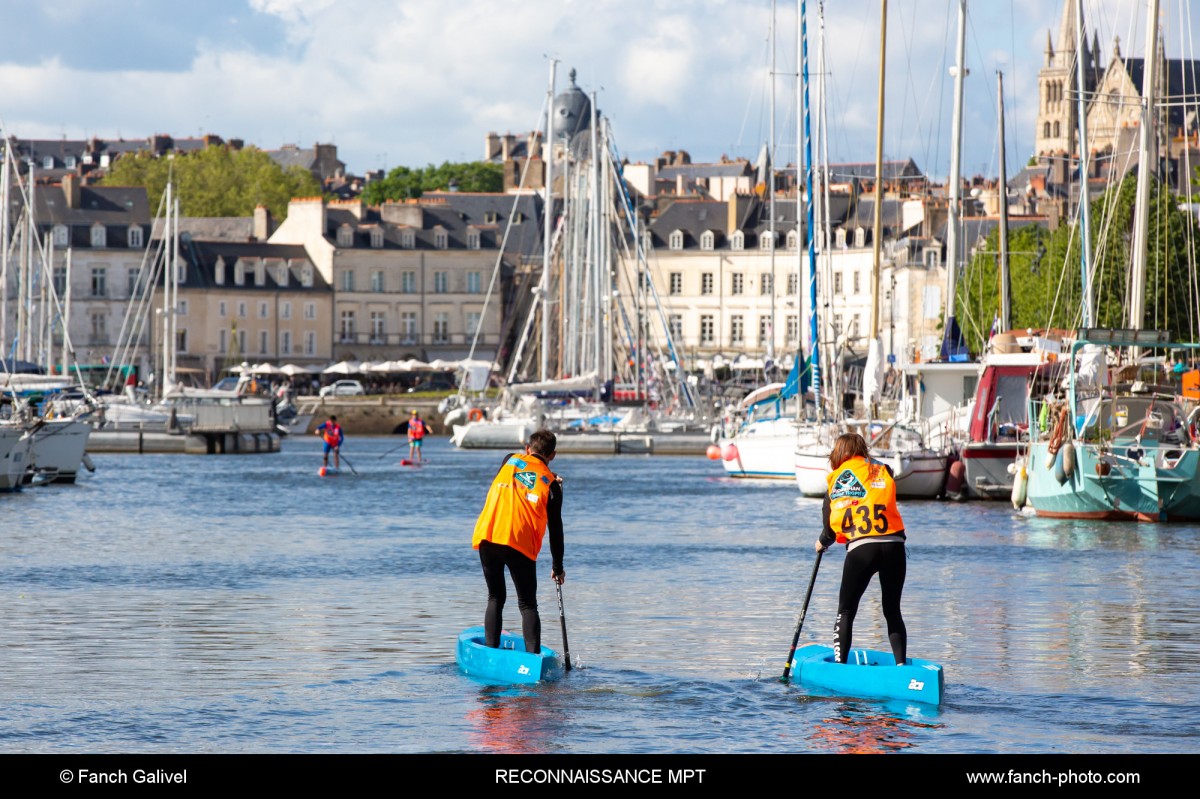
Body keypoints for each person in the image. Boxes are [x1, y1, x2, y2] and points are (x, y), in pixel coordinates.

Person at [814, 432, 908, 666]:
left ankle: (840, 666)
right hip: (894, 547)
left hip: (861, 550)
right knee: (892, 610)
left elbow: (829, 532)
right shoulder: (883, 471)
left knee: (845, 612)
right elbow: (883, 473)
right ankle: (901, 666)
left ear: (838, 455)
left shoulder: (836, 481)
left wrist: (822, 543)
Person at [471, 429, 564, 653]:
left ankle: (490, 653)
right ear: (553, 455)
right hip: (519, 544)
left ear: (527, 449)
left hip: (489, 536)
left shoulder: (509, 460)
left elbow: (522, 478)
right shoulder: (552, 486)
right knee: (527, 604)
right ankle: (533, 659)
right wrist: (557, 567)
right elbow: (556, 529)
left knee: (495, 597)